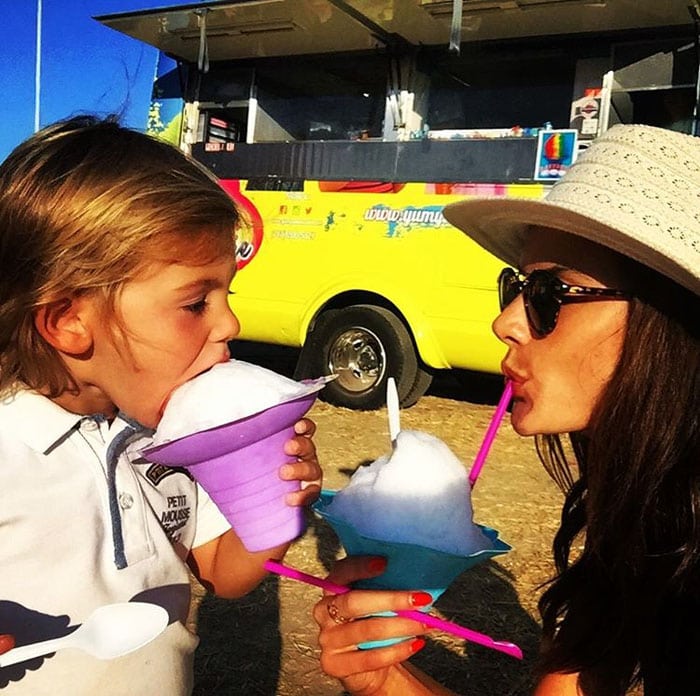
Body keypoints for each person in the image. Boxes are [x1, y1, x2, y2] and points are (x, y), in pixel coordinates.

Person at [312, 123, 700, 696]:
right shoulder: (641, 516)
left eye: (549, 294)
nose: (505, 322)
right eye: (513, 288)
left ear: (668, 322)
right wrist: (383, 679)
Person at [0, 116, 321, 694]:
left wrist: (276, 499)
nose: (230, 323)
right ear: (70, 320)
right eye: (196, 302)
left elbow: (223, 572)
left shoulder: (169, 438)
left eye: (228, 294)